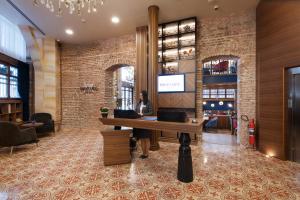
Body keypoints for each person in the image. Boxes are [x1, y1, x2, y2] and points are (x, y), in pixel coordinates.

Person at [133, 90, 153, 159]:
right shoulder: (139, 103)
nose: (140, 96)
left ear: (144, 96)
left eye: (141, 95)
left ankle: (146, 153)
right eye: (140, 95)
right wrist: (136, 113)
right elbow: (135, 110)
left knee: (146, 138)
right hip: (139, 123)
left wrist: (143, 114)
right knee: (141, 138)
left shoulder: (148, 102)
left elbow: (151, 112)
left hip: (146, 123)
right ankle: (143, 153)